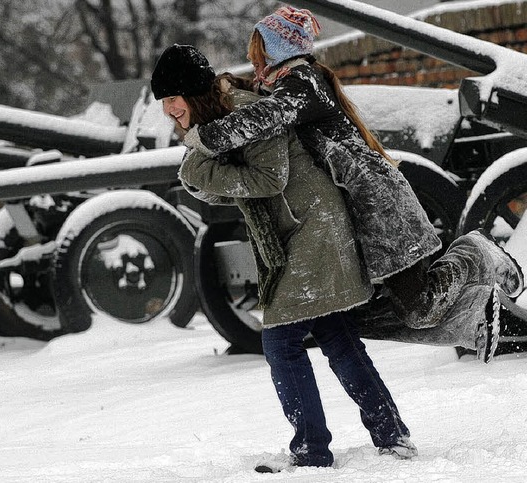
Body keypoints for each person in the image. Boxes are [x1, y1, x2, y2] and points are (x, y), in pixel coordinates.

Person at [180, 6, 524, 362]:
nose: (253, 62)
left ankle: (476, 251)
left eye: (258, 54)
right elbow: (253, 99)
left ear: (278, 52)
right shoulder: (289, 85)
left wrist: (201, 137)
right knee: (363, 315)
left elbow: (261, 118)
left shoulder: (303, 84)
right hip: (363, 211)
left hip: (380, 203)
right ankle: (477, 315)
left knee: (420, 308)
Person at [151, 43, 418, 473]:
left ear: (192, 92)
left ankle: (312, 450)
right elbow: (236, 187)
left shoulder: (244, 112)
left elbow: (268, 178)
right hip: (305, 227)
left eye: (170, 99)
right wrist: (202, 177)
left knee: (281, 341)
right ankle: (391, 434)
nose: (168, 111)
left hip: (313, 229)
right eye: (163, 102)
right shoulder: (218, 117)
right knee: (336, 334)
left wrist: (197, 171)